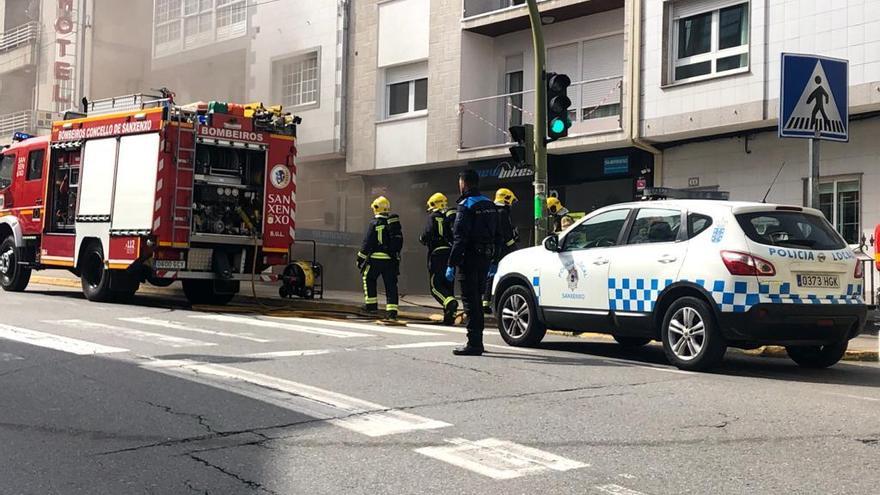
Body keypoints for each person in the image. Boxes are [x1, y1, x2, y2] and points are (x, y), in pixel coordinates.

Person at [446, 170, 501, 356]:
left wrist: (451, 263)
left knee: (470, 302)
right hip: (485, 258)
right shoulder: (490, 203)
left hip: (469, 259)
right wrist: (494, 260)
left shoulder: (466, 205)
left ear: (464, 183)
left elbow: (460, 237)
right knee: (478, 299)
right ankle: (479, 341)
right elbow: (498, 234)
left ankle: (474, 343)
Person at [356, 196, 403, 320]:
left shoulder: (374, 223)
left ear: (376, 208)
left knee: (369, 278)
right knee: (391, 285)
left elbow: (367, 243)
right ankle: (392, 311)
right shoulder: (392, 224)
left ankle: (371, 306)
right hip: (390, 261)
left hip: (375, 260)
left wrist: (360, 259)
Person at [419, 192, 459, 325]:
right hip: (450, 254)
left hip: (437, 255)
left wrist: (422, 239)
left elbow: (426, 235)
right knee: (448, 285)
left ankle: (450, 303)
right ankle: (450, 317)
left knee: (435, 286)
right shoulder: (450, 218)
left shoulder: (433, 217)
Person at [482, 187, 519, 313]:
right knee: (496, 274)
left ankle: (485, 302)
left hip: (490, 248)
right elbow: (507, 235)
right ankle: (488, 302)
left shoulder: (491, 211)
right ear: (506, 199)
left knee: (490, 275)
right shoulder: (503, 213)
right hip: (500, 249)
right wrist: (514, 249)